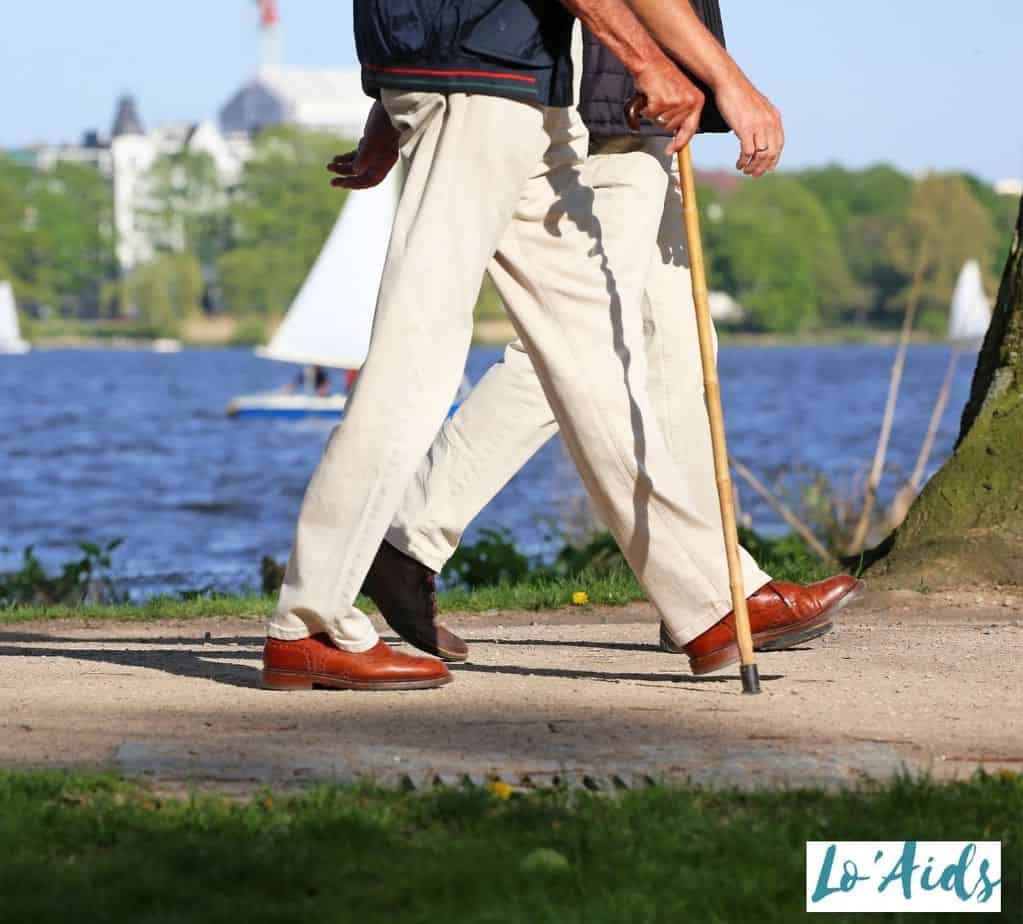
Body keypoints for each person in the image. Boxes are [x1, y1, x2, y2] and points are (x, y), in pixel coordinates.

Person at [262, 0, 853, 693]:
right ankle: (308, 622)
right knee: (415, 356)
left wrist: (385, 117)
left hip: (512, 85)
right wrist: (653, 63)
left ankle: (708, 602)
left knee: (596, 355)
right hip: (474, 82)